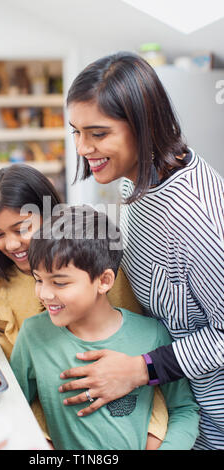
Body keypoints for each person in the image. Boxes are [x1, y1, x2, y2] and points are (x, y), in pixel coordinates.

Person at [58, 51, 224, 450]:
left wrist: (140, 368)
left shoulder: (196, 215)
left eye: (98, 134)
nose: (82, 147)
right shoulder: (136, 180)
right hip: (172, 401)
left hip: (211, 421)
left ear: (143, 126)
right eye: (76, 132)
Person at [0, 163, 166, 442]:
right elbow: (20, 386)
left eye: (21, 228)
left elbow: (143, 354)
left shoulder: (100, 273)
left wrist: (154, 439)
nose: (12, 244)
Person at [10, 206, 199, 450]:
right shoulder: (33, 335)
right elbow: (13, 409)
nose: (44, 293)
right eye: (38, 280)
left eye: (59, 282)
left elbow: (184, 409)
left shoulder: (151, 334)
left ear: (104, 281)